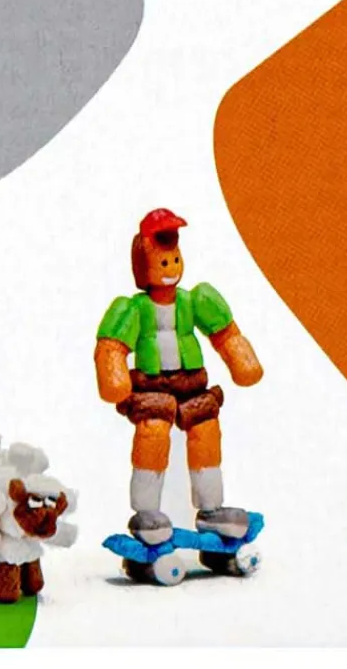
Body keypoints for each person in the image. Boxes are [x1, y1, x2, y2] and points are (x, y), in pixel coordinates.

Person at [94, 209, 263, 544]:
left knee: (206, 432)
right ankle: (146, 512)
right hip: (152, 386)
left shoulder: (195, 300)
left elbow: (225, 333)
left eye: (174, 259)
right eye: (163, 261)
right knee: (153, 434)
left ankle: (211, 509)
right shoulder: (133, 308)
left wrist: (241, 359)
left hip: (191, 384)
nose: (170, 267)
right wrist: (113, 374)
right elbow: (111, 345)